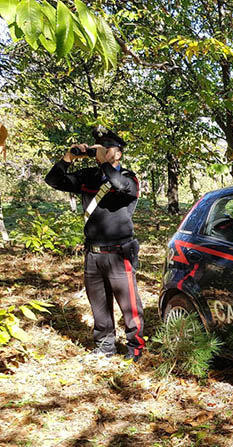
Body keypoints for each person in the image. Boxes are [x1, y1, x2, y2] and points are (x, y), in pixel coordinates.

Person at [44, 126, 145, 362]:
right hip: (93, 253)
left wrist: (103, 163)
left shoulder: (129, 178)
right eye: (98, 147)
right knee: (98, 304)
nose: (99, 150)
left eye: (106, 147)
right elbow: (54, 180)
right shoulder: (89, 176)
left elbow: (119, 185)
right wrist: (68, 158)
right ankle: (105, 346)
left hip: (120, 252)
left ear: (118, 154)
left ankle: (136, 349)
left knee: (129, 304)